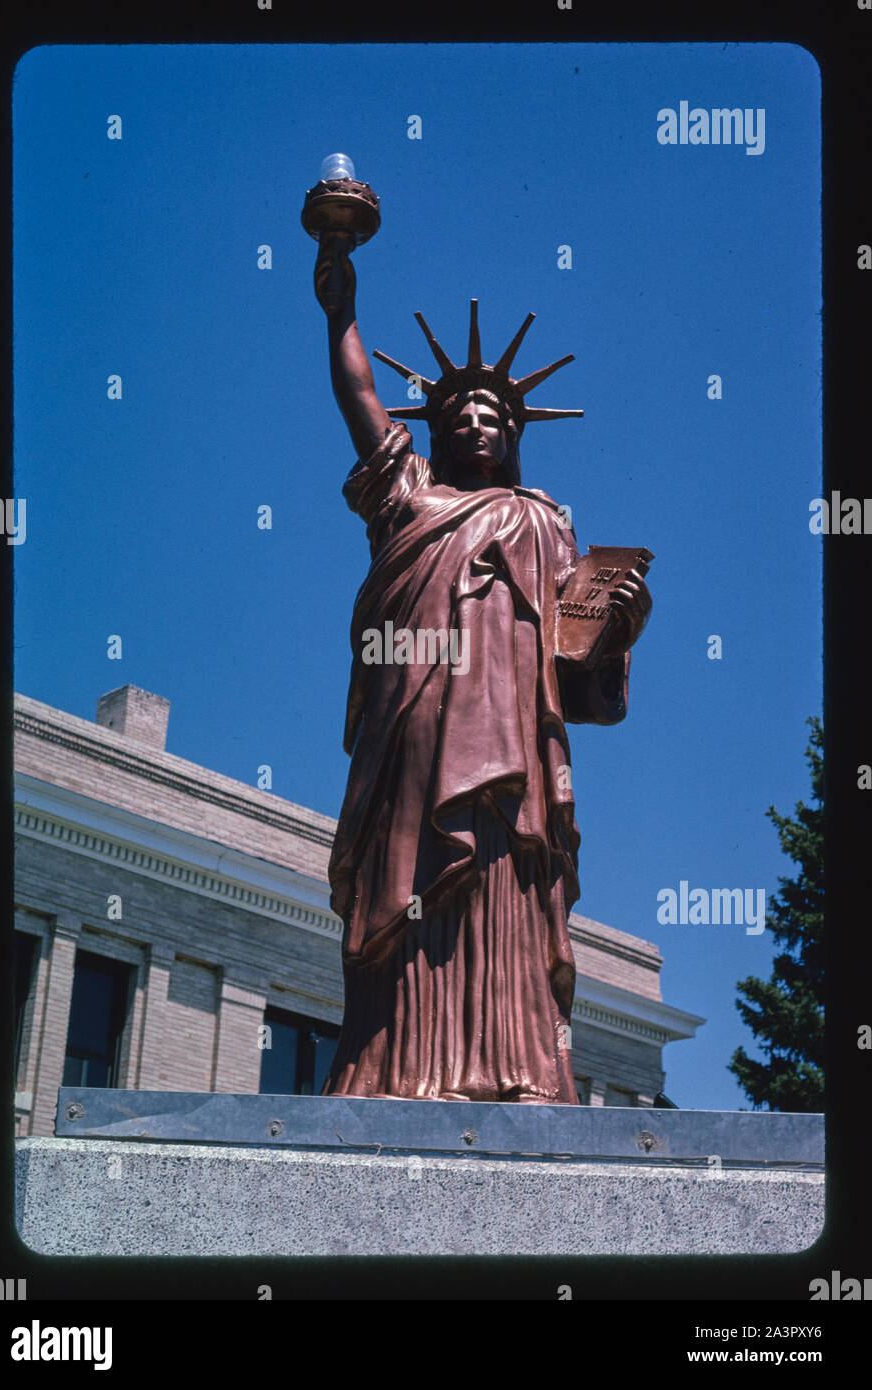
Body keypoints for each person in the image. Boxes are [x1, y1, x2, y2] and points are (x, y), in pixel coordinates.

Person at [314, 233, 651, 1103]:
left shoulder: (543, 522)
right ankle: (398, 1068)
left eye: (492, 416)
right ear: (433, 429)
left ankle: (514, 1067)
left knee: (501, 879)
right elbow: (360, 401)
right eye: (457, 413)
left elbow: (580, 673)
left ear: (512, 436)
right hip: (416, 734)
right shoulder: (410, 503)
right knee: (413, 876)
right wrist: (340, 308)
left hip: (510, 750)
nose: (475, 423)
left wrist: (621, 625)